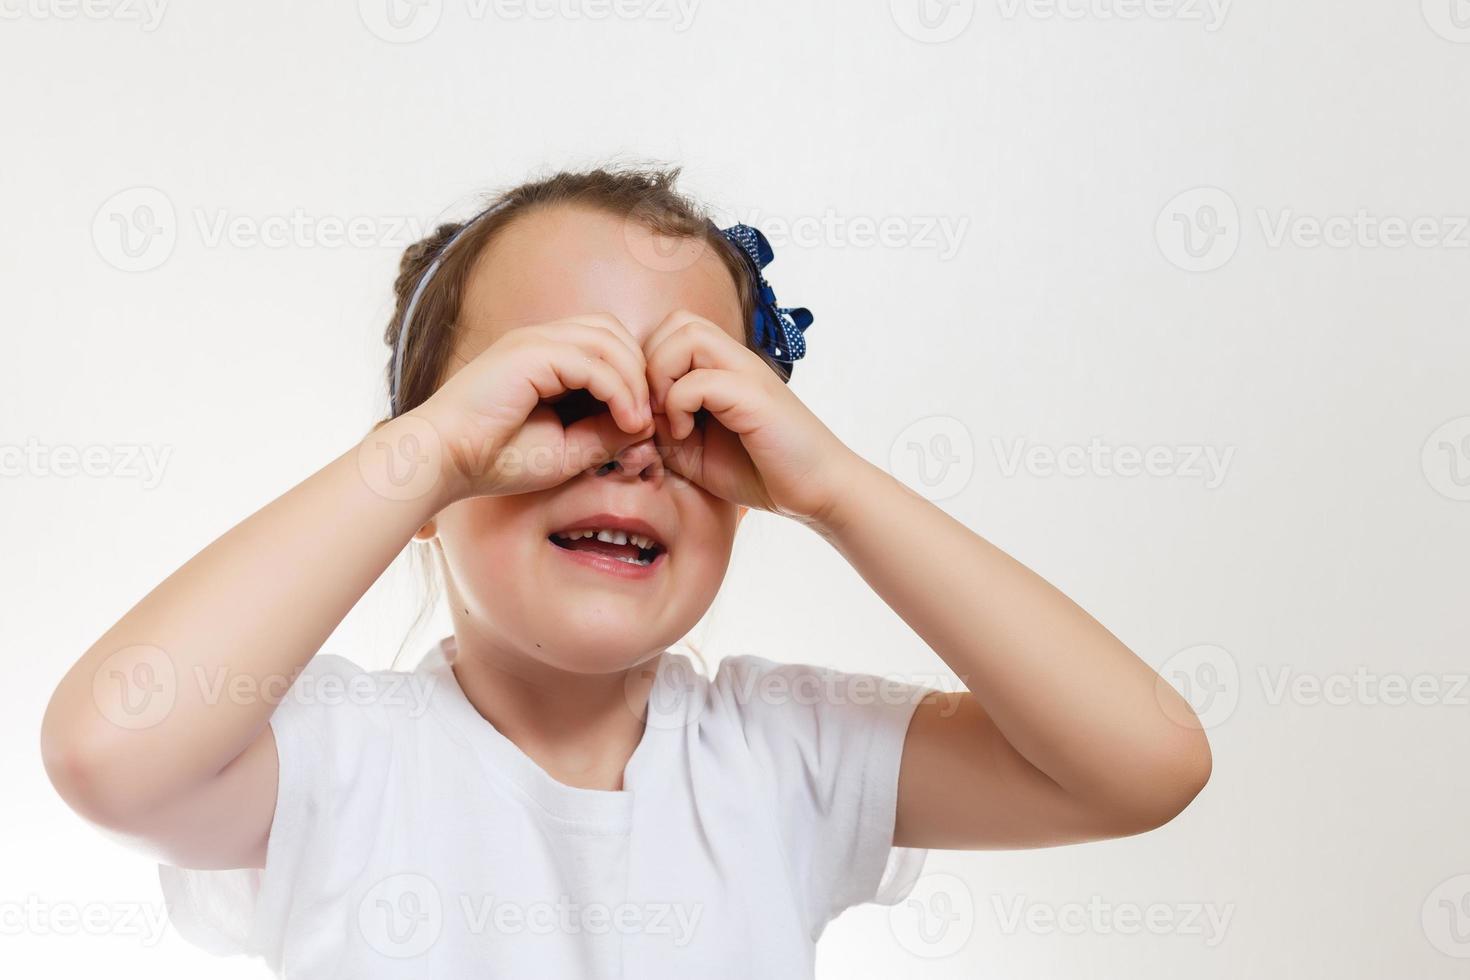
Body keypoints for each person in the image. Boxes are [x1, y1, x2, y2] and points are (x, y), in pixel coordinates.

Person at [40, 166, 1212, 978]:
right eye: (560, 397)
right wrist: (430, 450)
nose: (632, 448)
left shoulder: (780, 755)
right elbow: (108, 749)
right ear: (421, 482)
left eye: (696, 412)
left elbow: (1143, 761)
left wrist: (840, 486)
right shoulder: (343, 757)